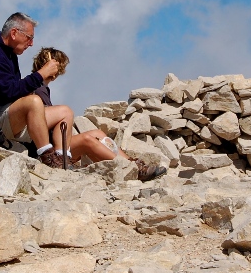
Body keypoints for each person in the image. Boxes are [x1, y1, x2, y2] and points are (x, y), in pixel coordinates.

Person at [30, 47, 167, 181]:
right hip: (46, 152)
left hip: (54, 146)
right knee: (87, 141)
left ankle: (131, 164)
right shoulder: (34, 88)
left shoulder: (42, 88)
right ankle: (132, 170)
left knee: (98, 134)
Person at [0, 12, 70, 168]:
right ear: (14, 33)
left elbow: (15, 89)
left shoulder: (9, 53)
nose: (31, 44)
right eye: (29, 38)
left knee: (65, 112)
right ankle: (47, 157)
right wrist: (41, 74)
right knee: (33, 102)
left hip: (9, 116)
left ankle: (62, 159)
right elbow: (9, 92)